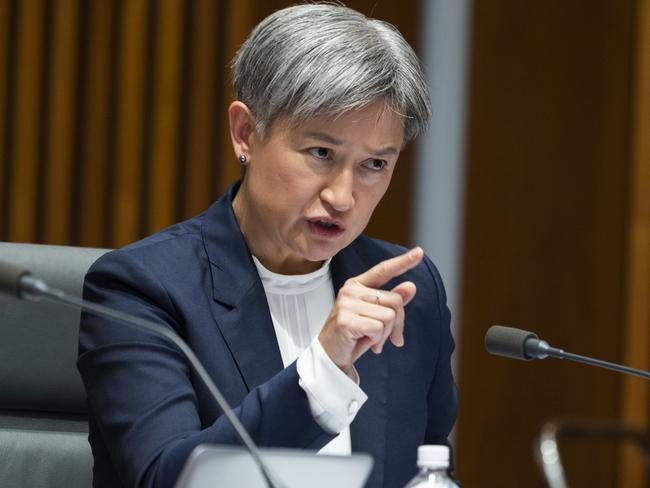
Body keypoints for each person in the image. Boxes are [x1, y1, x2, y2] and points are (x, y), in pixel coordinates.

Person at [77, 3, 458, 488]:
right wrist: (323, 368)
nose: (342, 197)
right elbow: (165, 480)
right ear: (246, 133)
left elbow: (429, 472)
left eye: (375, 165)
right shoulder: (143, 290)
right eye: (321, 153)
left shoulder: (407, 293)